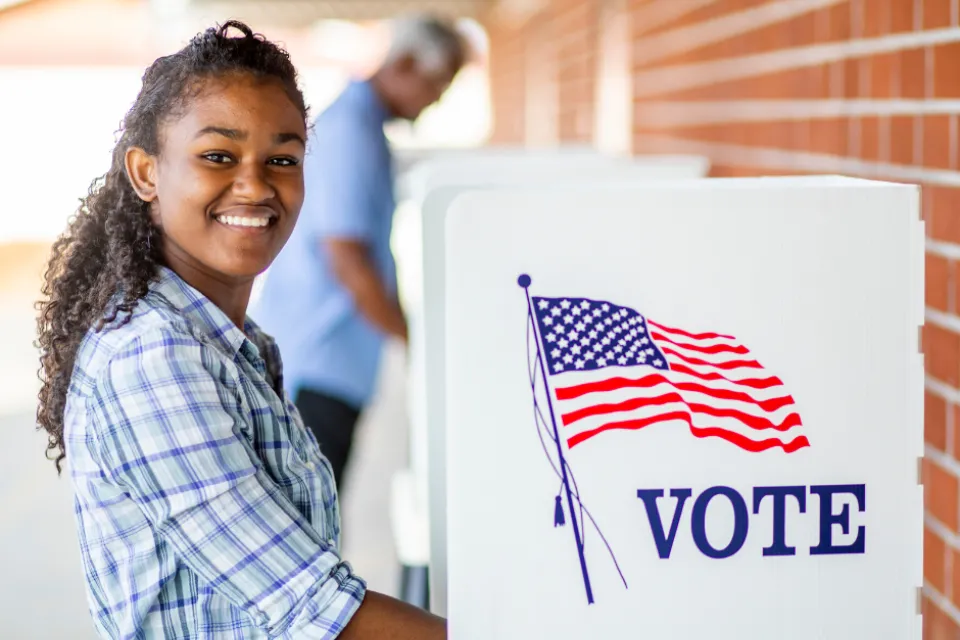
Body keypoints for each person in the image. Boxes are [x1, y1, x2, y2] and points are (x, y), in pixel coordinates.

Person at [35, 21, 445, 639]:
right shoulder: (155, 357)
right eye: (218, 156)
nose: (255, 185)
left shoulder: (235, 343)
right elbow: (317, 610)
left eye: (282, 158)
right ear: (146, 173)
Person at [251, 15, 468, 491]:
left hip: (330, 364)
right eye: (439, 84)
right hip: (316, 367)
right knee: (308, 525)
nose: (438, 100)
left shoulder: (365, 124)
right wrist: (415, 340)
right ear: (407, 64)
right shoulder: (352, 128)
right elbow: (346, 257)